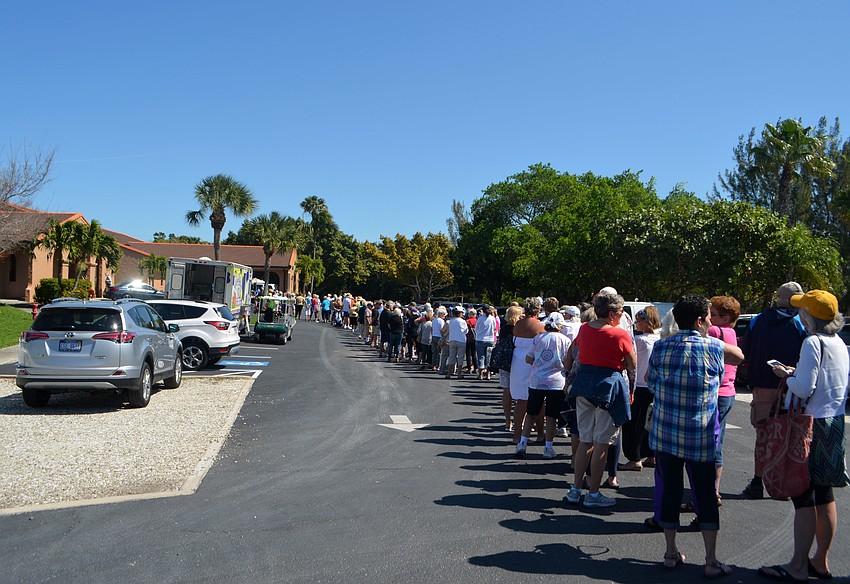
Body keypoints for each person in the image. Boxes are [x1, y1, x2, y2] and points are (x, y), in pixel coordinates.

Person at [648, 296, 743, 578]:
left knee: (670, 491)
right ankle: (711, 560)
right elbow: (738, 357)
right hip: (700, 437)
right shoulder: (713, 347)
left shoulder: (661, 346)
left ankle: (670, 551)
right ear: (701, 321)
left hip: (666, 434)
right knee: (704, 494)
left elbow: (652, 383)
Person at [758, 290, 849, 582]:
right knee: (825, 495)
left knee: (803, 496)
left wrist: (786, 374)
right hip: (833, 422)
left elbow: (802, 388)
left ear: (809, 316)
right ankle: (819, 561)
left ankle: (798, 565)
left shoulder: (812, 342)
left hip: (808, 425)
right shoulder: (839, 343)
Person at [565, 292, 636, 508]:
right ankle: (594, 493)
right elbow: (632, 363)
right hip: (607, 386)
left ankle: (575, 489)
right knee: (602, 442)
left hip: (584, 385)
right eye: (621, 312)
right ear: (613, 313)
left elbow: (576, 351)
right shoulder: (619, 334)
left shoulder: (584, 329)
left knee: (585, 440)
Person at [741, 281, 808, 499]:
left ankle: (758, 481)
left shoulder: (758, 320)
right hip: (792, 387)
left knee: (763, 434)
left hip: (762, 387)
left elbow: (747, 352)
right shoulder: (801, 322)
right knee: (789, 434)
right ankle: (784, 480)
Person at [514, 312, 572, 459]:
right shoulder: (565, 340)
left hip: (537, 380)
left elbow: (528, 358)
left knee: (531, 413)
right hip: (556, 382)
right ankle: (548, 447)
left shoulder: (538, 338)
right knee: (551, 417)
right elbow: (568, 363)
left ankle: (522, 443)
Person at [619, 306, 661, 471]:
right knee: (649, 423)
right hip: (653, 386)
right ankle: (651, 454)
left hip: (638, 385)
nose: (636, 324)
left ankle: (634, 457)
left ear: (645, 322)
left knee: (632, 424)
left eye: (638, 320)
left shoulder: (639, 341)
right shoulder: (659, 339)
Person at [707, 296, 740, 503]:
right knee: (718, 441)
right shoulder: (731, 332)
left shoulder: (714, 332)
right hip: (729, 391)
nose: (708, 317)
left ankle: (708, 491)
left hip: (715, 392)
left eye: (712, 314)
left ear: (724, 317)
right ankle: (714, 489)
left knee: (707, 445)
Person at [509, 298, 546, 444]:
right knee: (538, 400)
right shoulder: (539, 326)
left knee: (520, 401)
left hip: (517, 362)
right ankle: (540, 433)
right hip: (531, 364)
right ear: (538, 310)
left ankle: (517, 435)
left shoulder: (518, 324)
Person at [499, 305, 523, 431]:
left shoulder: (503, 329)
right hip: (517, 362)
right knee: (520, 393)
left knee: (506, 391)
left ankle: (508, 421)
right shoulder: (519, 329)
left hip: (504, 362)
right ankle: (520, 421)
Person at [445, 306, 469, 379]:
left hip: (452, 339)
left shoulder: (451, 321)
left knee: (451, 357)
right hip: (461, 340)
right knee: (460, 358)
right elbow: (466, 331)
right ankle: (459, 374)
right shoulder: (462, 321)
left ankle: (448, 373)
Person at [475, 305, 497, 380]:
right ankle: (488, 374)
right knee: (489, 357)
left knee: (481, 357)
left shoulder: (480, 319)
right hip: (490, 339)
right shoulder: (492, 319)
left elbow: (476, 328)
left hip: (480, 339)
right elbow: (494, 328)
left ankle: (480, 374)